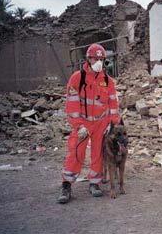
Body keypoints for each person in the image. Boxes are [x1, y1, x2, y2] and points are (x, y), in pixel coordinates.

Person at [58, 43, 120, 204]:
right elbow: (72, 104)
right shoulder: (77, 78)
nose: (98, 62)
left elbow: (113, 104)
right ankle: (66, 184)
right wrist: (79, 125)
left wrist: (112, 124)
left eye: (101, 59)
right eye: (95, 58)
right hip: (83, 123)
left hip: (101, 123)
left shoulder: (108, 81)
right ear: (88, 59)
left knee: (98, 153)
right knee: (76, 151)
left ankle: (95, 183)